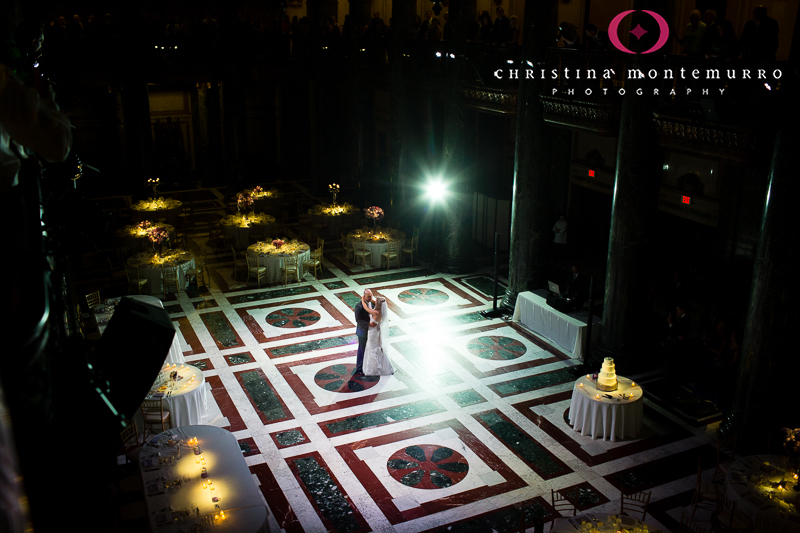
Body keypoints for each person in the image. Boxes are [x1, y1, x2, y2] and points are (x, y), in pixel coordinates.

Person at [359, 295, 394, 376]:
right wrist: (372, 300)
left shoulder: (376, 313)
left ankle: (373, 369)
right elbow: (376, 302)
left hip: (373, 333)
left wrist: (362, 299)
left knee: (371, 348)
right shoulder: (382, 311)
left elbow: (365, 307)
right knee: (377, 348)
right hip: (377, 332)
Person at [353, 289, 375, 375]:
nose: (371, 298)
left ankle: (367, 366)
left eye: (371, 296)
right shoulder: (359, 306)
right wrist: (368, 324)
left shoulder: (372, 303)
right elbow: (358, 320)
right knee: (362, 350)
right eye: (369, 296)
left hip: (371, 331)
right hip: (362, 332)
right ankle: (359, 369)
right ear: (364, 296)